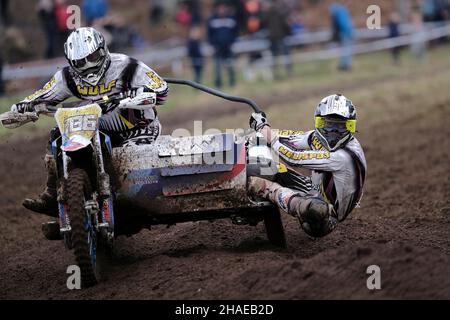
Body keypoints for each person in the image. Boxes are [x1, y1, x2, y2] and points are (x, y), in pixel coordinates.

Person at [10, 27, 168, 215]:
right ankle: (53, 192)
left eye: (92, 57)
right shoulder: (67, 76)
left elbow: (161, 89)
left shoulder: (128, 66)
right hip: (95, 129)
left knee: (135, 180)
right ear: (71, 62)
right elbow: (41, 95)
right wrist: (24, 105)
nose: (87, 66)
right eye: (80, 61)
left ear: (103, 50)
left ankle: (142, 204)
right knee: (58, 136)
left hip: (138, 129)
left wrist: (137, 94)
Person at [248, 94, 367, 238]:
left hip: (327, 217)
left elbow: (294, 158)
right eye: (328, 124)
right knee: (263, 167)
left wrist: (263, 129)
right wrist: (260, 132)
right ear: (318, 122)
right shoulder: (316, 137)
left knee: (314, 209)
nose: (334, 132)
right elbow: (286, 139)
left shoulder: (345, 156)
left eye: (341, 126)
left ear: (351, 127)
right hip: (314, 190)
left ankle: (269, 190)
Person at [207, 1, 239, 88]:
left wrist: (233, 43)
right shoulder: (213, 20)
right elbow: (209, 34)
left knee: (230, 66)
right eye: (220, 8)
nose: (222, 10)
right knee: (217, 68)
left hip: (228, 48)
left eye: (223, 8)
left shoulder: (231, 19)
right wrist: (212, 45)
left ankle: (232, 83)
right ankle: (218, 84)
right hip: (217, 48)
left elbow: (235, 33)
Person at [330, 3, 354, 71]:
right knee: (346, 50)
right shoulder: (342, 11)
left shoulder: (336, 11)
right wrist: (349, 32)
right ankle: (345, 65)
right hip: (344, 34)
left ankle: (344, 65)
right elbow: (344, 24)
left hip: (341, 34)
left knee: (344, 50)